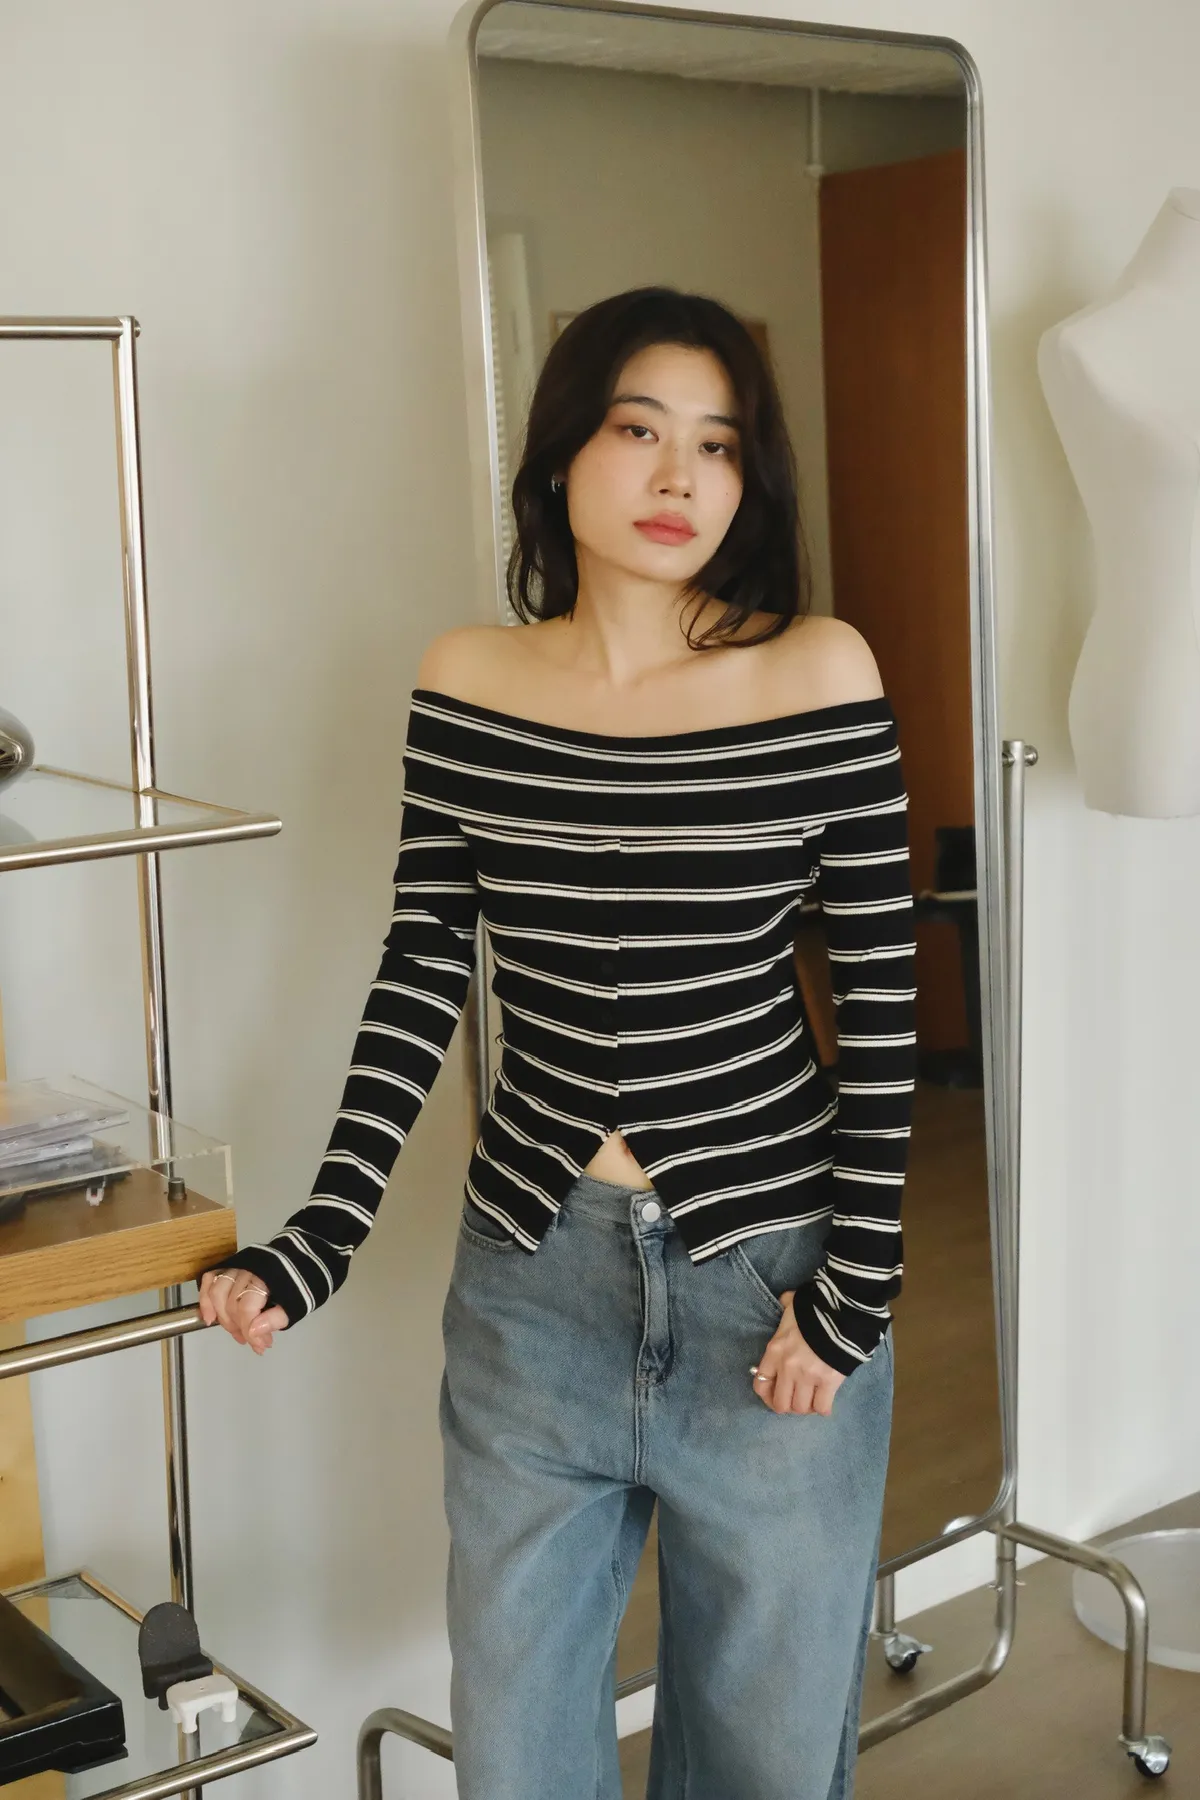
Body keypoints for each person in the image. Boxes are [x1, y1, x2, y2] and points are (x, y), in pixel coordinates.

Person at [200, 286, 917, 1800]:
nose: (678, 477)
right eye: (639, 430)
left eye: (718, 445)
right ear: (562, 453)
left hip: (769, 1291)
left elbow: (881, 996)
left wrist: (857, 1288)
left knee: (767, 1763)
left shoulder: (818, 673)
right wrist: (322, 1238)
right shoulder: (469, 680)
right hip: (532, 1284)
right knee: (519, 1761)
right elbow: (423, 970)